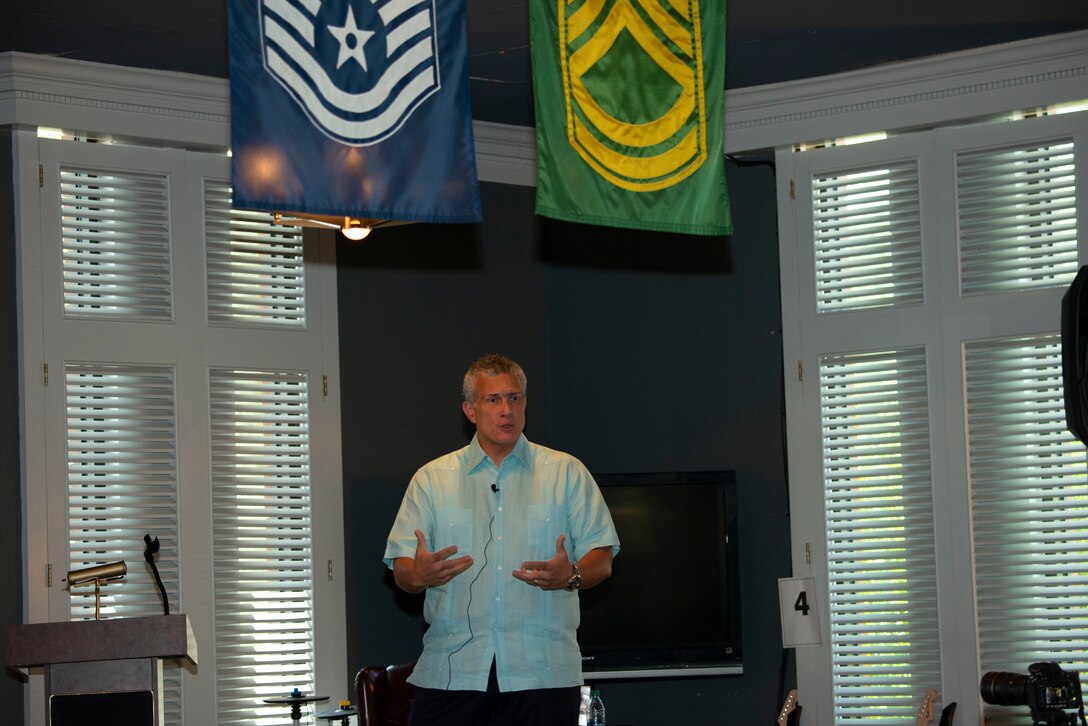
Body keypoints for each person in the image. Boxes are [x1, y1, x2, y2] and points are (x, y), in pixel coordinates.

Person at [383, 354, 620, 726]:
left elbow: (602, 558)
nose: (506, 410)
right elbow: (402, 571)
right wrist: (421, 574)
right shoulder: (431, 480)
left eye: (514, 398)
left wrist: (570, 574)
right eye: (493, 400)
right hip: (453, 673)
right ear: (470, 410)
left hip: (543, 674)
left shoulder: (567, 473)